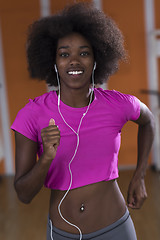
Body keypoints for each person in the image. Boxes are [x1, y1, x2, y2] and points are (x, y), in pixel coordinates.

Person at [11, 2, 155, 240]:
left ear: (96, 59)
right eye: (64, 54)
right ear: (54, 62)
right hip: (63, 233)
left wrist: (139, 176)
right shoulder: (31, 114)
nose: (74, 61)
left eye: (84, 53)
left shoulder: (117, 104)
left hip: (116, 228)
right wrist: (46, 157)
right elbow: (23, 195)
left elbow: (148, 121)